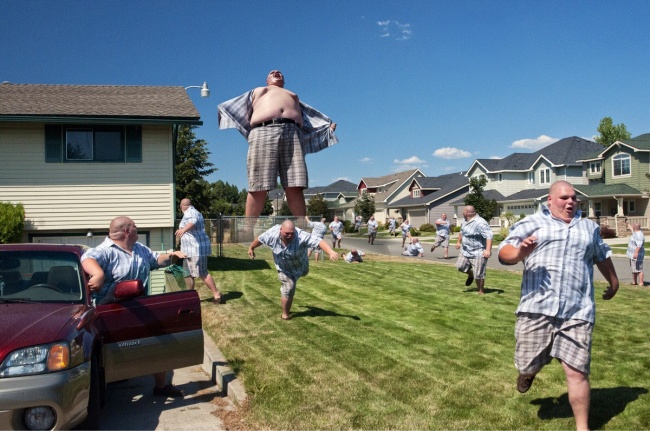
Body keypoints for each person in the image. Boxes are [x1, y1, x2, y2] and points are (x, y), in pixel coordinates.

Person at [498, 181, 619, 431]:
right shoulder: (532, 222)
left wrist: (614, 282)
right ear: (550, 200)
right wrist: (520, 253)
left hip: (578, 310)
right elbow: (504, 251)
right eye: (564, 198)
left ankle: (582, 427)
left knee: (577, 372)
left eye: (573, 198)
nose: (570, 202)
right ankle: (528, 372)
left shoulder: (588, 227)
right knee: (527, 363)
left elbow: (601, 255)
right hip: (537, 308)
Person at [81, 216, 188, 398]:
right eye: (135, 227)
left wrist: (172, 257)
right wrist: (98, 274)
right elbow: (87, 258)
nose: (137, 229)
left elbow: (156, 260)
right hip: (111, 312)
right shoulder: (105, 251)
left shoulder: (139, 249)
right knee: (110, 354)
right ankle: (103, 389)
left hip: (139, 308)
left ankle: (161, 386)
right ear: (127, 231)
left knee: (157, 343)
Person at [217, 70, 338, 218]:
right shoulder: (259, 91)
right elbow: (236, 109)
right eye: (271, 73)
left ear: (284, 81)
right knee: (258, 185)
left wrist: (325, 128)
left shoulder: (293, 95)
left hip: (293, 133)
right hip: (263, 131)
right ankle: (247, 229)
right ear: (267, 80)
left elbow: (309, 119)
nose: (276, 72)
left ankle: (302, 227)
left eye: (279, 72)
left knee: (295, 185)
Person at [248, 220, 339, 320]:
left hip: (301, 265)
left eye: (292, 233)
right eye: (287, 233)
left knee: (304, 273)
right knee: (289, 286)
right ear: (280, 229)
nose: (290, 236)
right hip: (284, 268)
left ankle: (288, 288)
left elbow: (319, 241)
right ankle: (285, 314)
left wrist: (330, 252)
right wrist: (251, 247)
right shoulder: (271, 234)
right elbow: (260, 239)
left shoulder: (301, 236)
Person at [175, 199, 222, 303]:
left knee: (202, 273)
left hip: (195, 250)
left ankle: (217, 294)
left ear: (181, 207)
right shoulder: (194, 212)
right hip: (188, 251)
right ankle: (190, 297)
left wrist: (183, 230)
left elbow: (193, 222)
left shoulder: (191, 212)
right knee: (188, 274)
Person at [455, 206, 493, 294]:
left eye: (463, 212)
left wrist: (488, 250)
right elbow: (462, 231)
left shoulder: (480, 223)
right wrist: (458, 242)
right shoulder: (465, 221)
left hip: (478, 251)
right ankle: (471, 274)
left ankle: (481, 291)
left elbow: (489, 236)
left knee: (479, 274)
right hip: (465, 250)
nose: (462, 213)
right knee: (460, 267)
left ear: (466, 213)